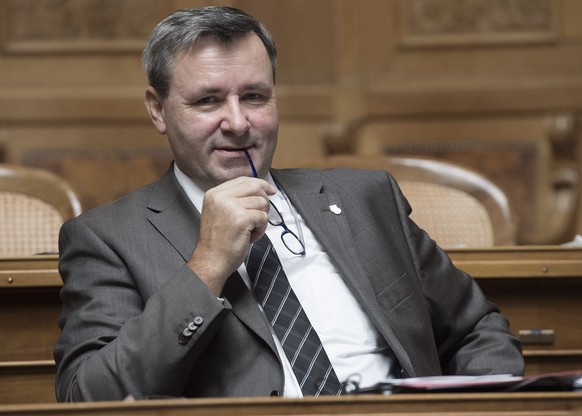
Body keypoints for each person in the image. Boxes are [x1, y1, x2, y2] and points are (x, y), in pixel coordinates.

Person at [54, 6, 524, 402]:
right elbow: (88, 396)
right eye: (208, 101)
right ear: (158, 109)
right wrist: (207, 265)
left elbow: (474, 329)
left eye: (254, 96)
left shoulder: (365, 199)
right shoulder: (108, 238)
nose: (237, 122)